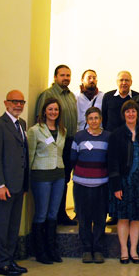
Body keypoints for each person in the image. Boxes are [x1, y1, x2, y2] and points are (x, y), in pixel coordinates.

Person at [0, 90, 30, 276]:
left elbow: (23, 155)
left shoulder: (21, 124)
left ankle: (10, 259)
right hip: (3, 186)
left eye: (21, 102)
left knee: (13, 226)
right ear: (6, 103)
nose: (18, 105)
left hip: (18, 185)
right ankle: (0, 263)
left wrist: (25, 184)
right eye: (14, 101)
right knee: (2, 225)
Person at [107, 100, 139, 263]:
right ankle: (124, 249)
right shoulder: (116, 134)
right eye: (127, 111)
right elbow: (112, 161)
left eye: (133, 111)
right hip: (123, 182)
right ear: (123, 114)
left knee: (137, 217)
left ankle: (133, 249)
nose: (131, 114)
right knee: (123, 217)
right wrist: (116, 185)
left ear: (138, 114)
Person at [35, 64, 77, 226]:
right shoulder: (48, 95)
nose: (66, 78)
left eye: (68, 75)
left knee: (64, 179)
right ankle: (51, 215)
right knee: (54, 179)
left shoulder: (71, 96)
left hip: (69, 143)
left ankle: (60, 213)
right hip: (54, 144)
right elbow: (40, 120)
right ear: (55, 77)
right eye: (62, 75)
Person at [27, 97, 66, 264]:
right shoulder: (35, 131)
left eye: (56, 109)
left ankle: (52, 249)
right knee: (41, 213)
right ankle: (40, 251)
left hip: (59, 174)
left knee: (53, 213)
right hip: (41, 175)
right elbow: (30, 155)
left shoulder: (62, 130)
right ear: (44, 111)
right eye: (50, 109)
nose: (53, 112)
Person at [71, 107, 110, 264]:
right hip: (81, 184)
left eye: (96, 118)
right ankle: (87, 249)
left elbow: (110, 160)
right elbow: (73, 159)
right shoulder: (79, 137)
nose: (94, 121)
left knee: (100, 218)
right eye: (91, 118)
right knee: (84, 218)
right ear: (86, 121)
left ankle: (98, 249)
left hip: (101, 184)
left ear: (101, 119)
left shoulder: (108, 137)